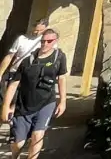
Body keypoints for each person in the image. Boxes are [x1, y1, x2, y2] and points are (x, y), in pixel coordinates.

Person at [2, 29, 67, 159]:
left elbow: (62, 78)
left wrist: (63, 101)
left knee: (37, 136)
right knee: (18, 143)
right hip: (24, 104)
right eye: (43, 41)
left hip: (46, 103)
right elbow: (14, 84)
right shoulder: (27, 61)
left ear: (55, 41)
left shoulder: (59, 57)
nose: (45, 44)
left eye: (49, 41)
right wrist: (5, 106)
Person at [0, 21, 47, 89]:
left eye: (41, 30)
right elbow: (9, 56)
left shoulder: (47, 42)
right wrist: (0, 73)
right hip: (16, 73)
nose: (37, 33)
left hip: (33, 76)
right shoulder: (21, 39)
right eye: (36, 30)